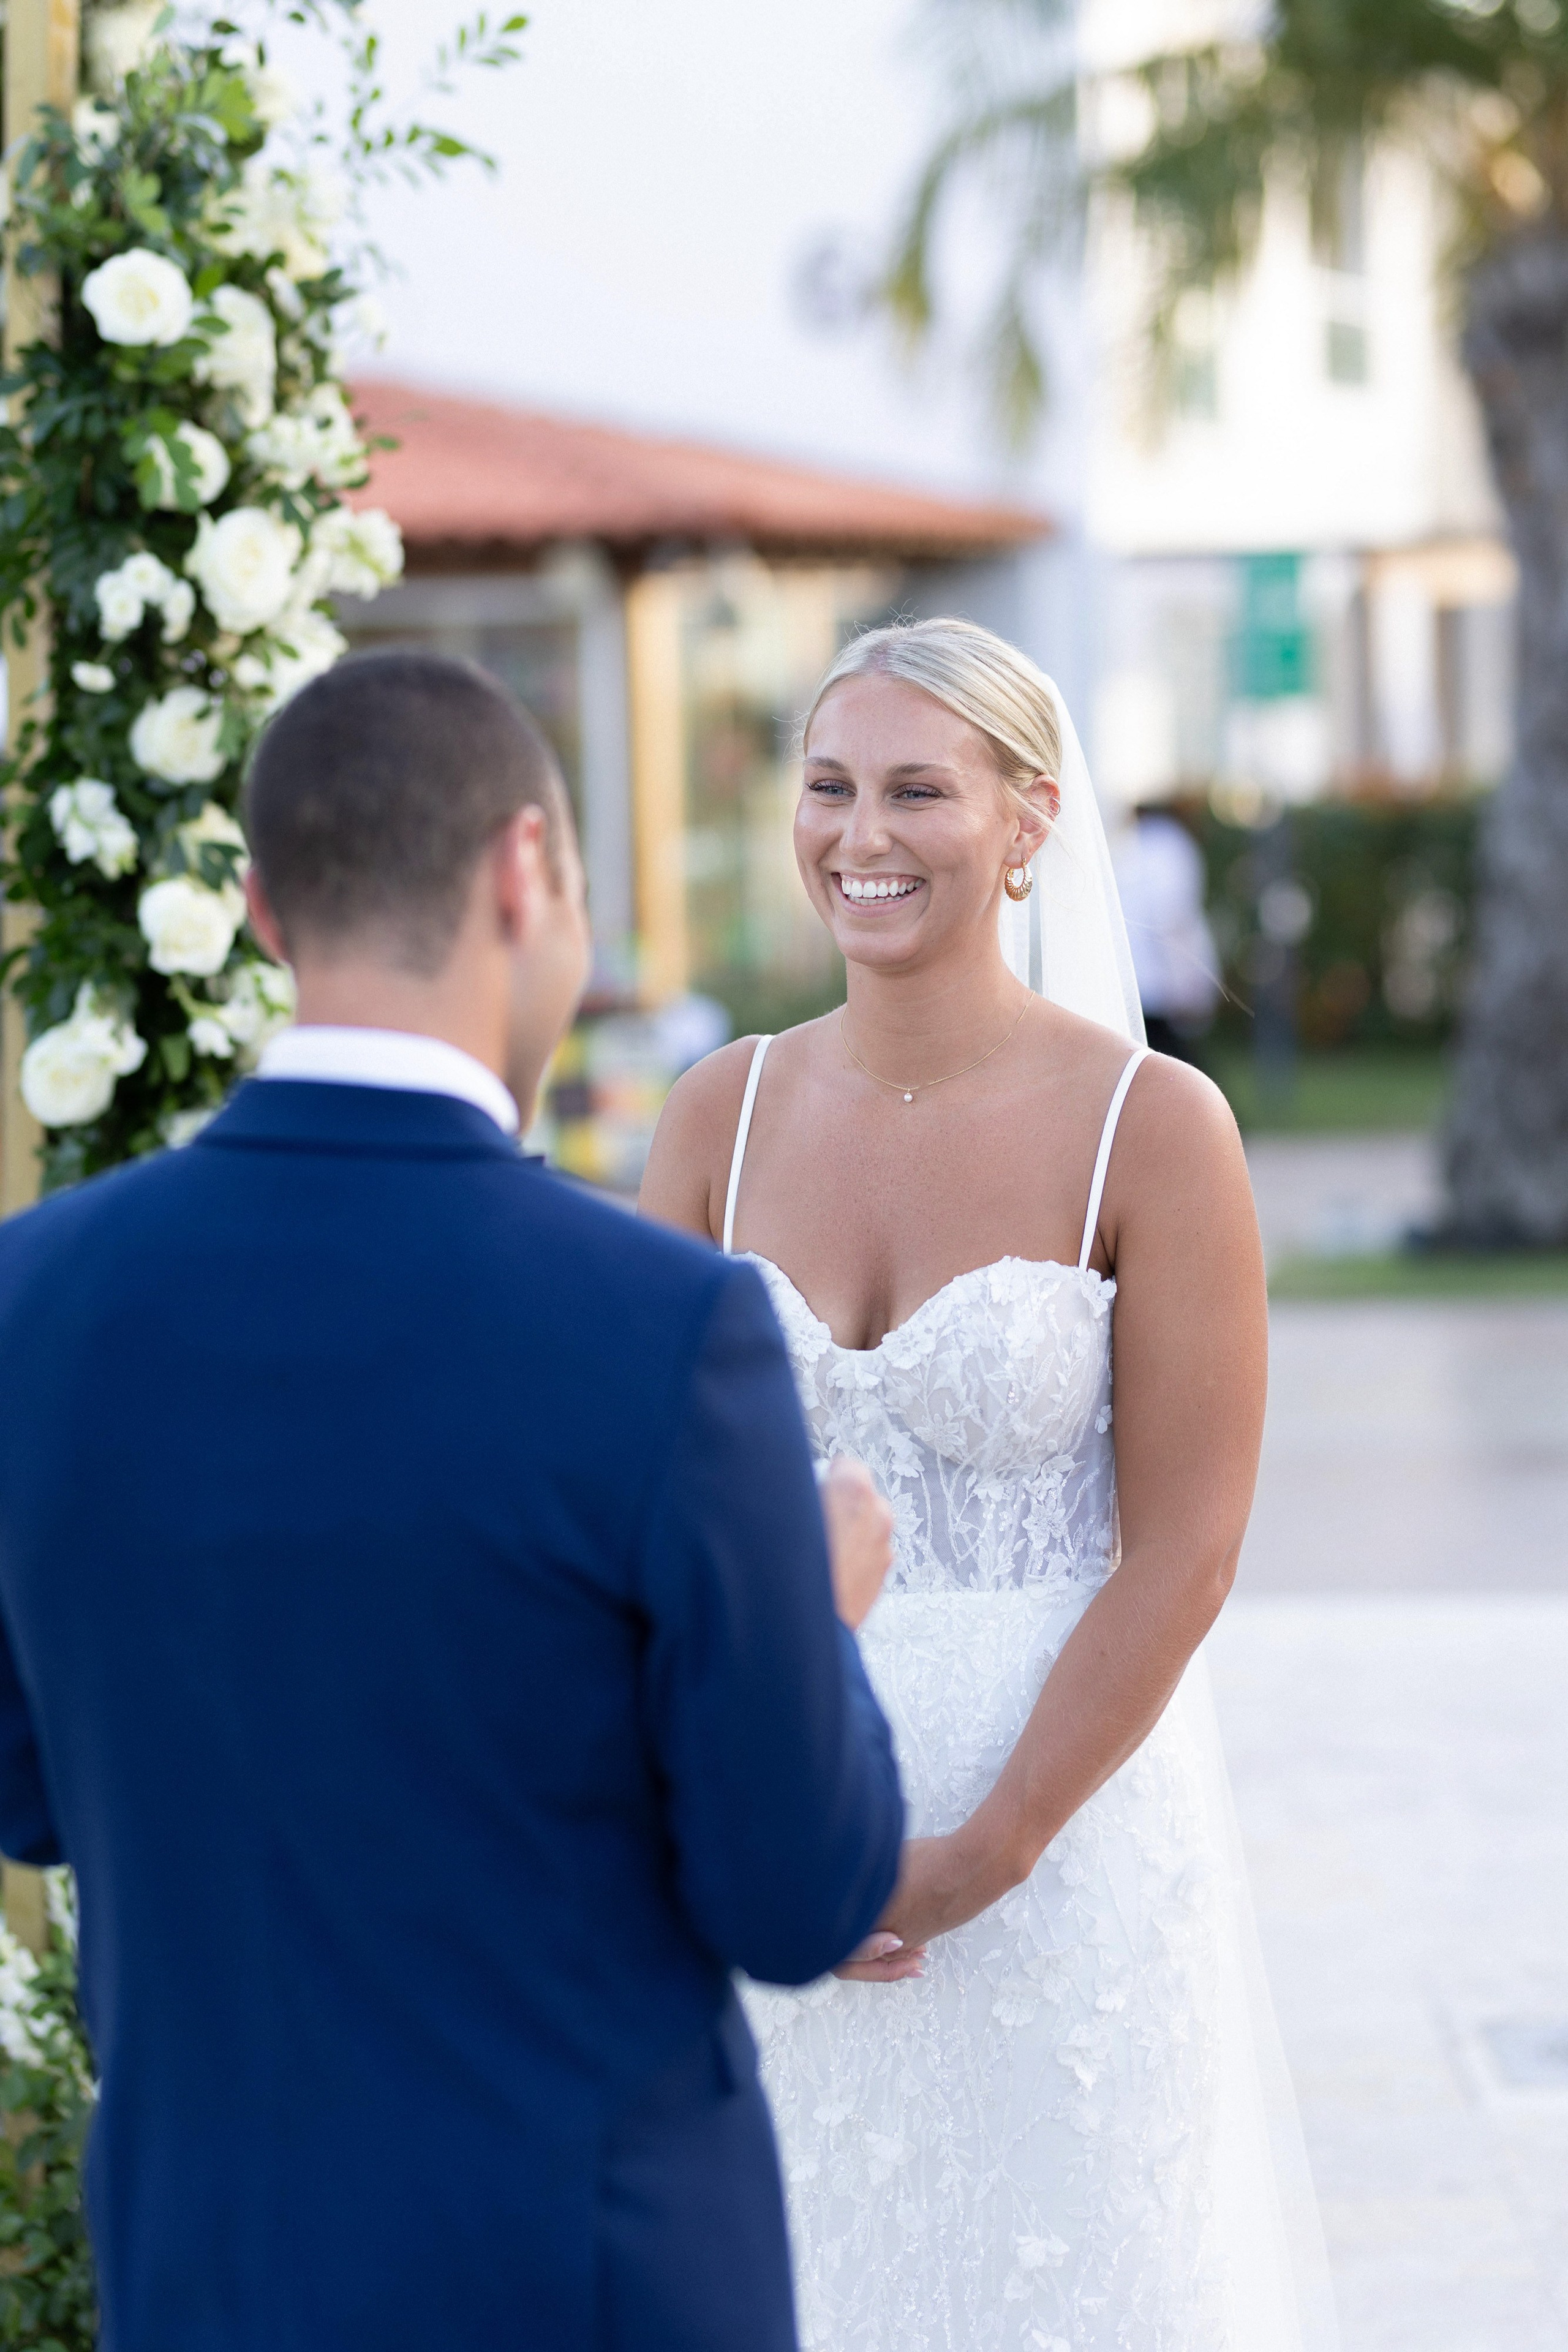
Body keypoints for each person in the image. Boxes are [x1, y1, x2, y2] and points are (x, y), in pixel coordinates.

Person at [0, 650, 906, 2352]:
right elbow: (798, 1897)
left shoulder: (31, 1301)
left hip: (210, 2273)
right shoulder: (662, 1327)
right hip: (578, 2283)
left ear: (261, 910)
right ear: (523, 870)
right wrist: (825, 1624)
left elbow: (26, 1786)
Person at [641, 618, 1339, 2351]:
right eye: (828, 787)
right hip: (779, 1842)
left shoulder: (1151, 1128)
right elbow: (652, 1516)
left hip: (1062, 1850)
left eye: (915, 791)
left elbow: (1185, 1549)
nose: (858, 835)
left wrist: (987, 1850)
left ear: (1029, 820)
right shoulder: (715, 1114)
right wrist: (723, 1818)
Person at [1114, 801, 1223, 1063]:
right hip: (1158, 990)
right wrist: (1188, 989)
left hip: (1125, 984)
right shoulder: (1171, 847)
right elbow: (1174, 919)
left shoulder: (1125, 844)